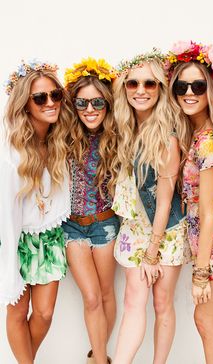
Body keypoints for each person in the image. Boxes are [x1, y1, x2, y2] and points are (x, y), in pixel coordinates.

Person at [112, 49, 191, 364]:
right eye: (133, 84)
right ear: (125, 88)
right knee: (133, 301)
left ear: (160, 89)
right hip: (133, 229)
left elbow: (163, 201)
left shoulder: (166, 138)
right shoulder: (125, 128)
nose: (141, 91)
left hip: (165, 232)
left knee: (162, 303)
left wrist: (152, 252)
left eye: (150, 84)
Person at [166, 40, 213, 364]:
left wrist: (200, 273)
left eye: (197, 85)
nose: (189, 92)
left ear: (210, 90)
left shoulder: (207, 141)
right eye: (182, 85)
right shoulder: (196, 135)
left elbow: (208, 213)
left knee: (206, 321)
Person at [0, 59, 74, 363]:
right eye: (40, 98)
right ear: (25, 105)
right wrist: (9, 265)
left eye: (55, 95)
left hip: (50, 238)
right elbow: (5, 214)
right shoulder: (11, 153)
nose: (50, 103)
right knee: (17, 311)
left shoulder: (57, 141)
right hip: (17, 241)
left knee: (43, 314)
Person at [62, 57, 120, 364]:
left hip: (106, 226)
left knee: (107, 295)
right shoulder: (64, 136)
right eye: (82, 102)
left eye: (98, 101)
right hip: (72, 227)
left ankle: (98, 357)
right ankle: (100, 359)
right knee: (91, 297)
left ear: (108, 104)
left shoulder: (117, 137)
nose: (90, 109)